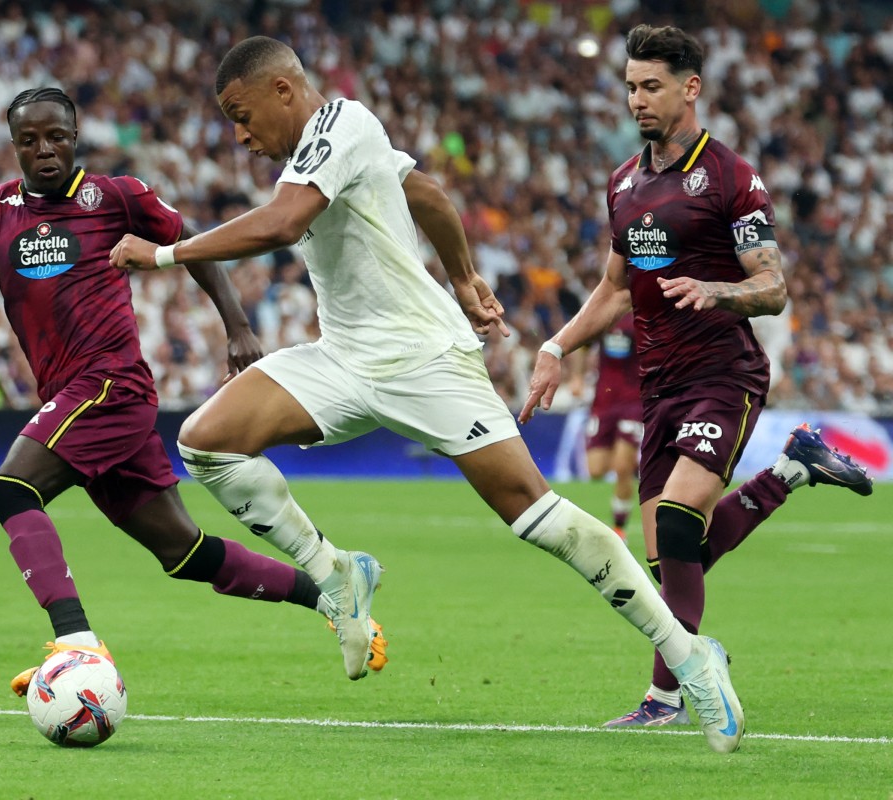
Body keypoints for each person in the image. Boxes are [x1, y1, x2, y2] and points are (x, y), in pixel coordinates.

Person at [110, 35, 745, 752]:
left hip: (424, 359)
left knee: (536, 514)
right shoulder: (325, 145)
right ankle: (336, 575)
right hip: (345, 358)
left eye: (241, 113)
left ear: (282, 89)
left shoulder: (341, 125)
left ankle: (691, 656)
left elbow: (283, 224)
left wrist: (163, 254)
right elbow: (429, 196)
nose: (239, 134)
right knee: (205, 440)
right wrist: (467, 277)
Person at [0, 87, 384, 693]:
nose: (46, 150)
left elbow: (192, 245)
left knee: (10, 492)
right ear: (15, 147)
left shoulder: (115, 196)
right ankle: (334, 596)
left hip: (109, 384)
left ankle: (77, 646)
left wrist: (237, 325)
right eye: (30, 140)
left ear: (75, 136)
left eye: (56, 136)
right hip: (74, 396)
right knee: (184, 555)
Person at [519, 25, 873, 729]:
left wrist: (716, 291)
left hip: (724, 371)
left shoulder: (733, 179)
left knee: (678, 522)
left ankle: (668, 697)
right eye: (629, 87)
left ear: (691, 88)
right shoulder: (624, 182)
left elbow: (772, 287)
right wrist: (557, 344)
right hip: (660, 385)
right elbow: (615, 289)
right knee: (671, 562)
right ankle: (793, 471)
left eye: (651, 86)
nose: (637, 100)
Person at [570, 313, 643, 539]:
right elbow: (582, 343)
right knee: (596, 470)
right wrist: (577, 377)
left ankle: (619, 529)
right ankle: (641, 466)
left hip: (634, 401)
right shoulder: (606, 312)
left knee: (622, 468)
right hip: (603, 402)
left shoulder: (644, 314)